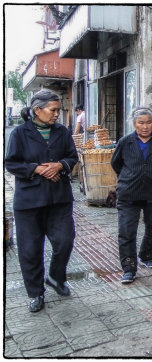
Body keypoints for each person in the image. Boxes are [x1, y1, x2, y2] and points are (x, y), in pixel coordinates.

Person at [4, 90, 78, 312]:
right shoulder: (20, 133)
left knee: (65, 240)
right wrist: (37, 169)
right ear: (38, 110)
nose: (57, 114)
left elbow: (72, 156)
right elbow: (11, 163)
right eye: (53, 110)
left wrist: (59, 166)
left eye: (58, 110)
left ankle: (56, 277)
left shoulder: (62, 132)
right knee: (30, 250)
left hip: (59, 198)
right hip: (29, 201)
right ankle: (36, 293)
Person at [111, 106, 152, 284]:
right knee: (126, 231)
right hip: (129, 193)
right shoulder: (125, 142)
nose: (145, 126)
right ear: (134, 124)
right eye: (141, 123)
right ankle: (129, 268)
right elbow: (116, 163)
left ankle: (146, 255)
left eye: (148, 122)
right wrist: (131, 177)